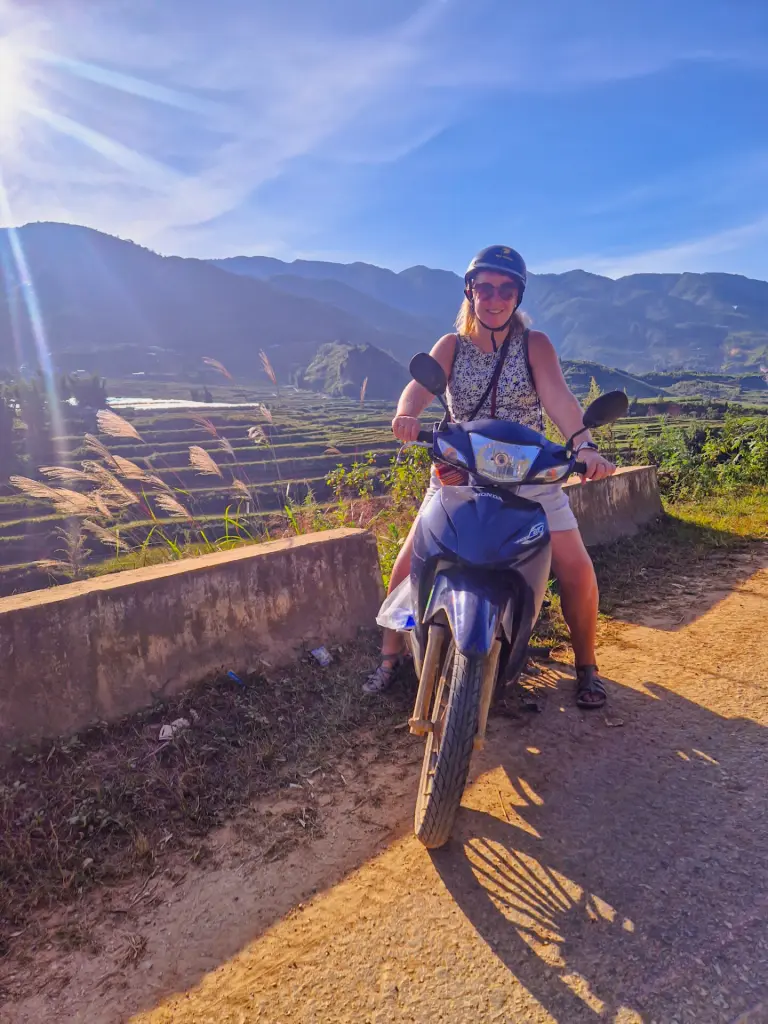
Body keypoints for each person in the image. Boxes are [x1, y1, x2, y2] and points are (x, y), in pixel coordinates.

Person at [363, 245, 616, 708]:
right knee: (409, 561)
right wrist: (405, 414)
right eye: (485, 288)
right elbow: (419, 388)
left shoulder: (534, 345)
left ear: (517, 296)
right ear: (470, 292)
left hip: (529, 473)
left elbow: (558, 398)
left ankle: (587, 667)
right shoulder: (451, 346)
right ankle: (389, 657)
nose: (494, 299)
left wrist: (583, 444)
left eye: (505, 289)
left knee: (576, 569)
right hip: (460, 471)